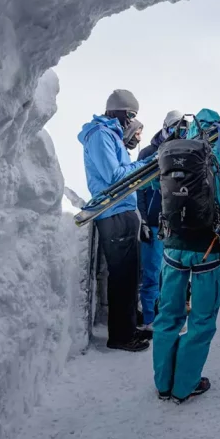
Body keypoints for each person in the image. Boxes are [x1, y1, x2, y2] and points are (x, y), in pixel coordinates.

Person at [152, 108, 220, 403]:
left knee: (168, 313)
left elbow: (151, 183)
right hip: (207, 246)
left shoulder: (171, 150)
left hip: (173, 244)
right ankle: (185, 385)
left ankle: (163, 383)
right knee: (202, 317)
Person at [77, 89, 151, 352]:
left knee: (131, 276)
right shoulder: (100, 136)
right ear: (119, 113)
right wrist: (149, 163)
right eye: (131, 115)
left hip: (124, 211)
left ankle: (129, 328)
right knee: (121, 277)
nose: (132, 121)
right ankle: (120, 336)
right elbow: (115, 176)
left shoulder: (113, 136)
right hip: (113, 213)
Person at [136, 110, 183, 330]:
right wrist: (143, 220)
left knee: (172, 274)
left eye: (181, 128)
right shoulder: (148, 152)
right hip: (154, 223)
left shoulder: (184, 153)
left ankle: (167, 318)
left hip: (175, 225)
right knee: (152, 273)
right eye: (173, 127)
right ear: (164, 127)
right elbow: (139, 190)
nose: (176, 133)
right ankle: (148, 318)